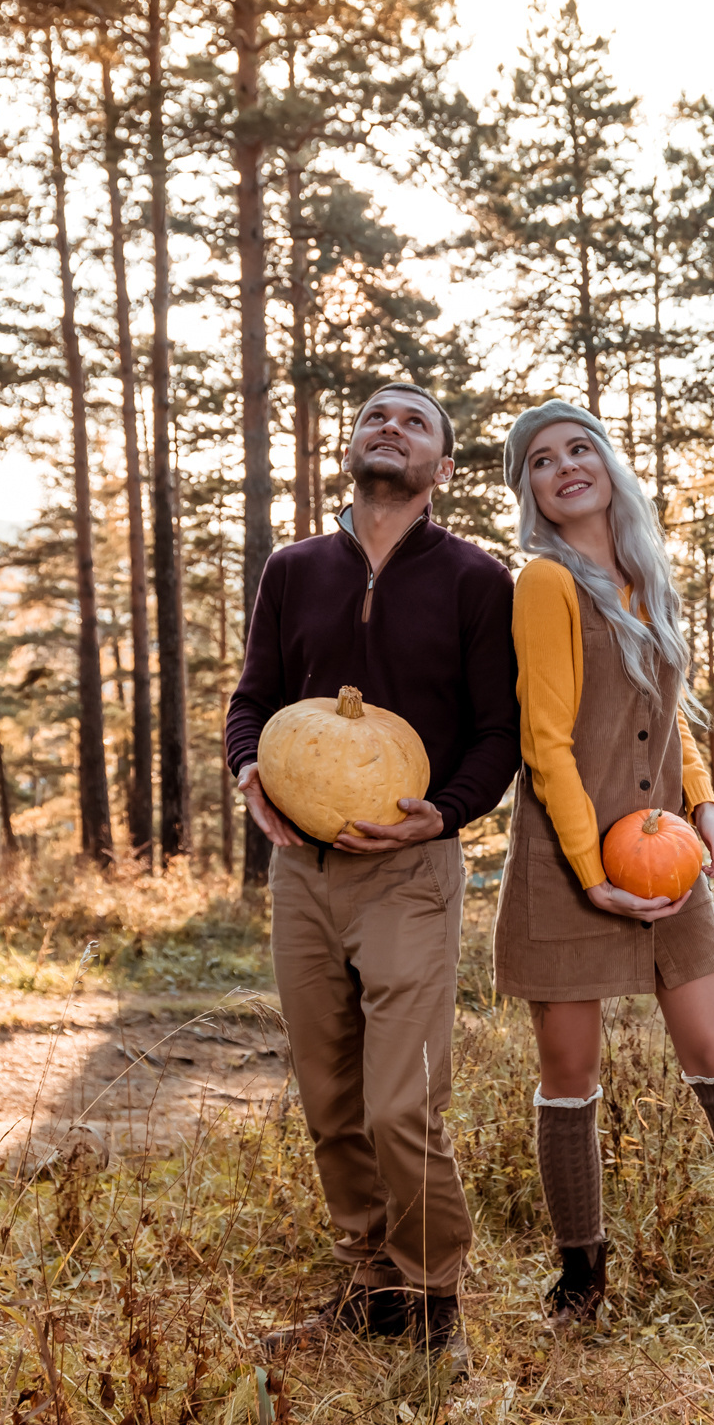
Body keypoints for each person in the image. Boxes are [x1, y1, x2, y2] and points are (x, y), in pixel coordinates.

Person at [495, 397, 714, 1371]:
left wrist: (705, 806)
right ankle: (582, 1276)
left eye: (581, 448)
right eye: (540, 460)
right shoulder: (543, 582)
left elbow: (673, 719)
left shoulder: (645, 577)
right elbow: (547, 744)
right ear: (527, 489)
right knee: (568, 1076)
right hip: (570, 861)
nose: (565, 466)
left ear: (609, 463)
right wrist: (589, 874)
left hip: (665, 849)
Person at [225, 382, 518, 1369]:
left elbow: (498, 732)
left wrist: (452, 809)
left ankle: (436, 1304)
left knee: (403, 1103)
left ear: (442, 468)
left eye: (414, 421)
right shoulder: (293, 567)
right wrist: (248, 774)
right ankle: (369, 1285)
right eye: (374, 415)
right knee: (329, 1097)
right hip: (300, 870)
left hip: (411, 870)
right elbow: (251, 698)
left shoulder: (477, 579)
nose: (388, 426)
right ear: (350, 447)